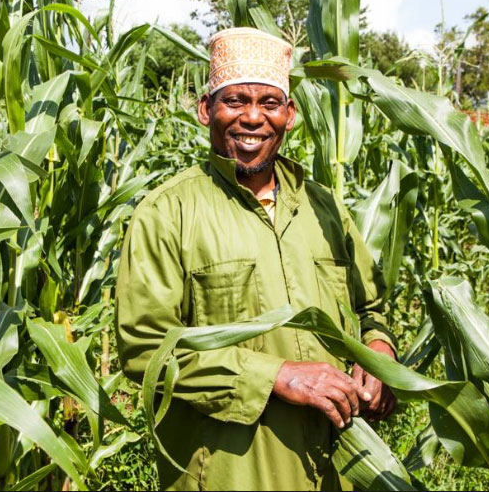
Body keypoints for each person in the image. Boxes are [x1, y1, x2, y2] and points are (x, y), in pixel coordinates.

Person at [116, 27, 397, 490]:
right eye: (235, 101)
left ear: (289, 115)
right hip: (231, 472)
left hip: (337, 470)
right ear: (206, 110)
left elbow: (371, 310)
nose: (251, 118)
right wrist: (275, 376)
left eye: (268, 103)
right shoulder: (168, 212)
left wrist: (378, 353)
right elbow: (147, 348)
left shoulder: (325, 209)